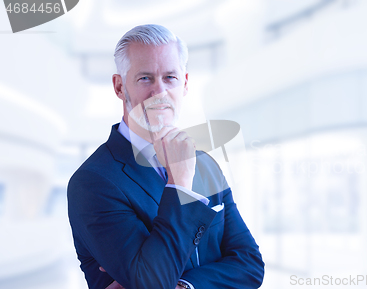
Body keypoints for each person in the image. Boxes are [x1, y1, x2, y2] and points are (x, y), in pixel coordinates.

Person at [67, 24, 265, 289]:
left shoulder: (206, 165)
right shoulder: (93, 182)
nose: (159, 92)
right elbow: (152, 283)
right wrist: (180, 182)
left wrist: (183, 285)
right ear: (119, 86)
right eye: (145, 78)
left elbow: (250, 265)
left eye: (170, 78)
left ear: (184, 84)